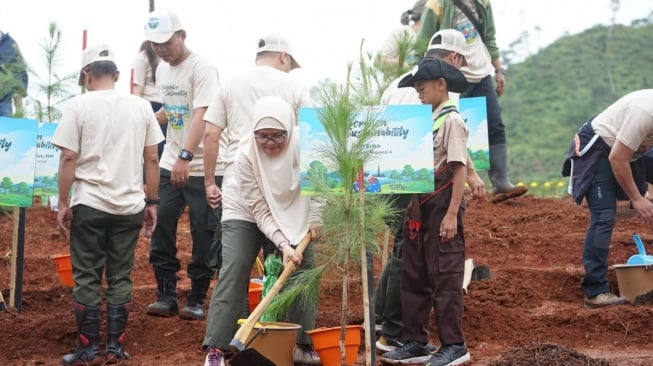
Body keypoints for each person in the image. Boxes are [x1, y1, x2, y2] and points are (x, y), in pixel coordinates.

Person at [201, 33, 320, 365]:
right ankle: (218, 346)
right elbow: (258, 207)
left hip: (291, 201)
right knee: (236, 266)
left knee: (304, 268)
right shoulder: (245, 156)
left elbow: (320, 170)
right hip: (246, 201)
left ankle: (301, 343)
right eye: (262, 136)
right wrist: (282, 243)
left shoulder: (300, 141)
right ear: (284, 56)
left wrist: (316, 217)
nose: (269, 143)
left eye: (277, 136)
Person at [52, 43, 163, 365]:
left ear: (86, 75)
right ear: (116, 74)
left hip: (90, 202)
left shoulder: (78, 105)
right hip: (129, 206)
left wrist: (62, 202)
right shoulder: (141, 107)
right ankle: (115, 348)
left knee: (87, 275)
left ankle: (87, 350)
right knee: (120, 275)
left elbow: (69, 156)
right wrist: (152, 201)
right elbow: (152, 157)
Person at [375, 29, 485, 354]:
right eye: (416, 87)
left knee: (444, 277)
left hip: (441, 207)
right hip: (419, 210)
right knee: (414, 276)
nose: (419, 91)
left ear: (442, 85)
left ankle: (454, 345)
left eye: (423, 86)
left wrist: (452, 214)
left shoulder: (451, 120)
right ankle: (414, 342)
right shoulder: (428, 120)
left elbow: (459, 168)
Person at [143, 9, 221, 321]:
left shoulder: (202, 68)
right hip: (170, 161)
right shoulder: (162, 70)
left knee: (203, 232)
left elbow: (202, 113)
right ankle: (166, 294)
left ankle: (198, 297)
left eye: (165, 42)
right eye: (154, 44)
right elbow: (172, 111)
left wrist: (185, 157)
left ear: (182, 36)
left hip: (201, 165)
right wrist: (144, 120)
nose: (160, 48)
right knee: (161, 222)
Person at [416, 0, 527, 203]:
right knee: (455, 130)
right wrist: (422, 76)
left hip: (481, 72)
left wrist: (498, 69)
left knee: (494, 124)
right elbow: (423, 42)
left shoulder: (482, 3)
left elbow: (489, 37)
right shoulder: (437, 4)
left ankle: (500, 181)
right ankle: (457, 186)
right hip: (451, 76)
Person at [562, 89, 653, 308]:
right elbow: (618, 158)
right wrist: (638, 198)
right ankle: (595, 291)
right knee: (604, 216)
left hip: (633, 150)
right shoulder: (646, 112)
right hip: (601, 148)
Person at [131, 40, 165, 159]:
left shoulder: (165, 58)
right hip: (150, 106)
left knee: (168, 147)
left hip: (167, 106)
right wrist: (139, 114)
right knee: (154, 149)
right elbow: (137, 89)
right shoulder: (142, 58)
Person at [377, 0, 426, 68]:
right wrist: (408, 65)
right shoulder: (402, 32)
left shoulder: (432, 39)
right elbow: (379, 61)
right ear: (426, 13)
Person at [0, 30, 28, 116]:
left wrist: (19, 111)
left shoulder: (10, 45)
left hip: (3, 103)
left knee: (6, 128)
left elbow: (19, 74)